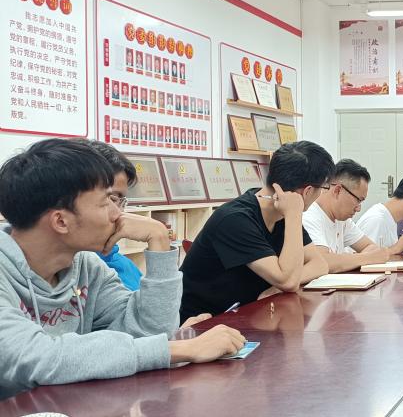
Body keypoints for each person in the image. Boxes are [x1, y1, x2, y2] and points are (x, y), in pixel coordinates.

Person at [0, 139, 244, 399]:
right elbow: (33, 358)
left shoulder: (86, 266)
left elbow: (149, 330)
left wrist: (159, 241)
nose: (118, 215)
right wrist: (179, 350)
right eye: (107, 202)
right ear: (61, 221)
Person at [178, 141, 333, 320]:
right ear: (307, 191)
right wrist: (293, 215)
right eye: (323, 188)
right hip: (202, 324)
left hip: (250, 316)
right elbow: (289, 281)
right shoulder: (235, 219)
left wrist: (276, 286)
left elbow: (319, 264)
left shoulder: (282, 212)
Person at [303, 159, 403, 273]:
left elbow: (372, 247)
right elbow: (321, 262)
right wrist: (366, 258)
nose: (358, 208)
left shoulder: (342, 219)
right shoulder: (309, 217)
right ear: (337, 190)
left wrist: (347, 260)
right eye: (358, 200)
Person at [68, 139, 144, 290]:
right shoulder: (64, 271)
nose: (118, 214)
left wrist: (159, 238)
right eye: (110, 198)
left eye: (119, 201)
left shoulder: (124, 264)